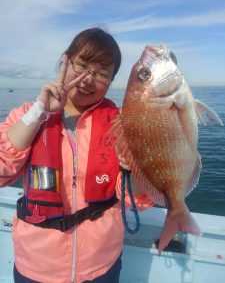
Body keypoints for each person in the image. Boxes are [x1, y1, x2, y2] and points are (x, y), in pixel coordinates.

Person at [0, 27, 153, 283]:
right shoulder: (26, 115)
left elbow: (132, 200)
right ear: (65, 61)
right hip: (35, 267)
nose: (87, 79)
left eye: (102, 74)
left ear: (111, 81)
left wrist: (137, 165)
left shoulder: (121, 125)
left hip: (101, 266)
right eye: (81, 66)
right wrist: (40, 110)